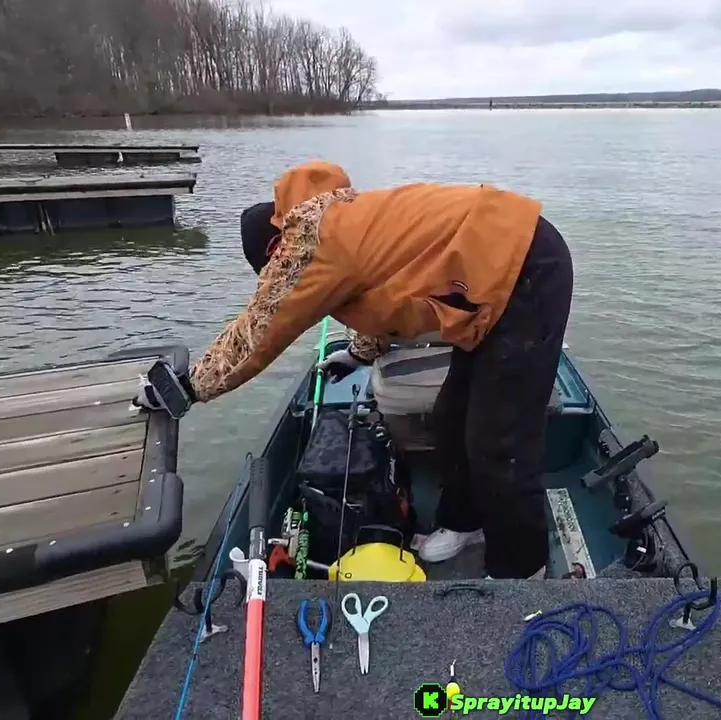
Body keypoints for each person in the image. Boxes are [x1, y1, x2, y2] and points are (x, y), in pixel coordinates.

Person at [153, 160, 573, 580]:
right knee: (450, 416)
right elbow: (390, 292)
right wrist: (358, 354)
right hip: (484, 286)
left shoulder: (311, 242)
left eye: (271, 274)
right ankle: (465, 522)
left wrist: (185, 388)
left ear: (274, 250)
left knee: (498, 440)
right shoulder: (339, 227)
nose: (274, 280)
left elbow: (256, 334)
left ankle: (521, 570)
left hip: (523, 266)